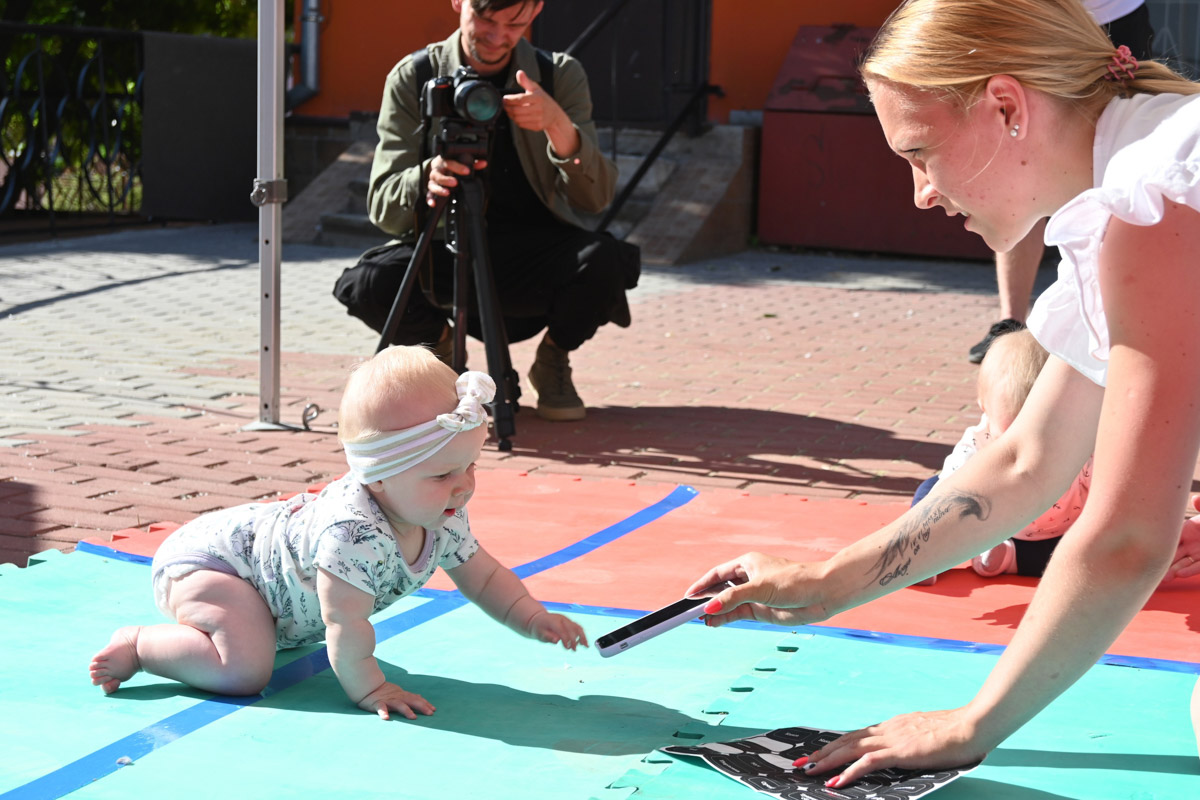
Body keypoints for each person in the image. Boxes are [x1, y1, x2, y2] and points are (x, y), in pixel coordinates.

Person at [688, 0, 1200, 787]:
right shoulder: (1128, 186)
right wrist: (827, 581)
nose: (920, 192)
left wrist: (972, 724)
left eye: (921, 152)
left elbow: (1130, 536)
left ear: (1006, 106)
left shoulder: (1154, 195)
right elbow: (1027, 459)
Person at [89, 346, 588, 720]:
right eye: (441, 475)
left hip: (261, 581)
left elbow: (482, 577)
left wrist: (531, 617)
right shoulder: (352, 534)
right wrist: (371, 689)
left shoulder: (441, 511)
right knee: (244, 671)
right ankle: (139, 645)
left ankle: (244, 630)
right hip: (213, 566)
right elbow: (345, 627)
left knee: (268, 645)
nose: (463, 486)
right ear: (378, 476)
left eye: (470, 466)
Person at [356, 0, 637, 422]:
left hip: (535, 259)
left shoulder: (557, 75)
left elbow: (595, 199)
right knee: (368, 282)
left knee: (606, 261)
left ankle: (554, 358)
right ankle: (444, 354)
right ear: (458, 2)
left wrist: (558, 125)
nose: (497, 36)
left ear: (537, 10)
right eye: (485, 19)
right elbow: (382, 206)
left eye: (515, 24)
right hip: (445, 258)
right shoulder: (416, 76)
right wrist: (425, 178)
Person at [967, 0, 1156, 363]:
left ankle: (1112, 321)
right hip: (1030, 18)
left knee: (1110, 168)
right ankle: (1011, 320)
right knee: (1022, 158)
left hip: (1111, 17)